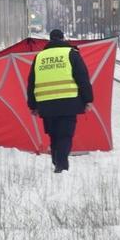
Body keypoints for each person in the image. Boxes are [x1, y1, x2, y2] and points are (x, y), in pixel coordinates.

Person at [26, 29, 93, 173]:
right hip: (68, 102)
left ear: (49, 40)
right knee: (65, 135)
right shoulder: (71, 54)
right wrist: (88, 100)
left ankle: (57, 161)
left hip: (46, 103)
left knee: (54, 134)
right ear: (63, 39)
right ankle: (61, 164)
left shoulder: (39, 57)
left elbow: (31, 82)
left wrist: (32, 105)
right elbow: (82, 78)